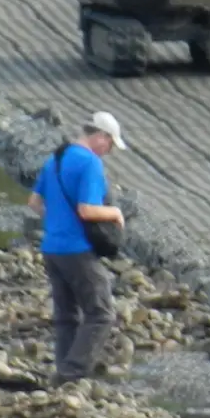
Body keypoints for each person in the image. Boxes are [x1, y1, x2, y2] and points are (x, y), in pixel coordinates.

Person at [27, 111, 127, 384]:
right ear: (101, 137)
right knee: (101, 314)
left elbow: (34, 203)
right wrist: (115, 213)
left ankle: (63, 369)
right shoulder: (90, 163)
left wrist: (58, 219)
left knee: (66, 314)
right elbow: (86, 209)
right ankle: (73, 371)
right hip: (77, 249)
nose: (109, 152)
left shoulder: (56, 159)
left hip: (52, 247)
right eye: (110, 145)